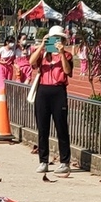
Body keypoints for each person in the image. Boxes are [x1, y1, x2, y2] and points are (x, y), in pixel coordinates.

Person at [30, 25, 73, 174]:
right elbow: (31, 62)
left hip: (58, 91)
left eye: (58, 39)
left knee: (61, 127)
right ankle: (43, 161)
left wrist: (60, 53)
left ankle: (65, 162)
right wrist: (42, 45)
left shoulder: (67, 55)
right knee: (42, 128)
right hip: (43, 91)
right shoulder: (43, 55)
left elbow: (67, 71)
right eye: (53, 39)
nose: (55, 41)